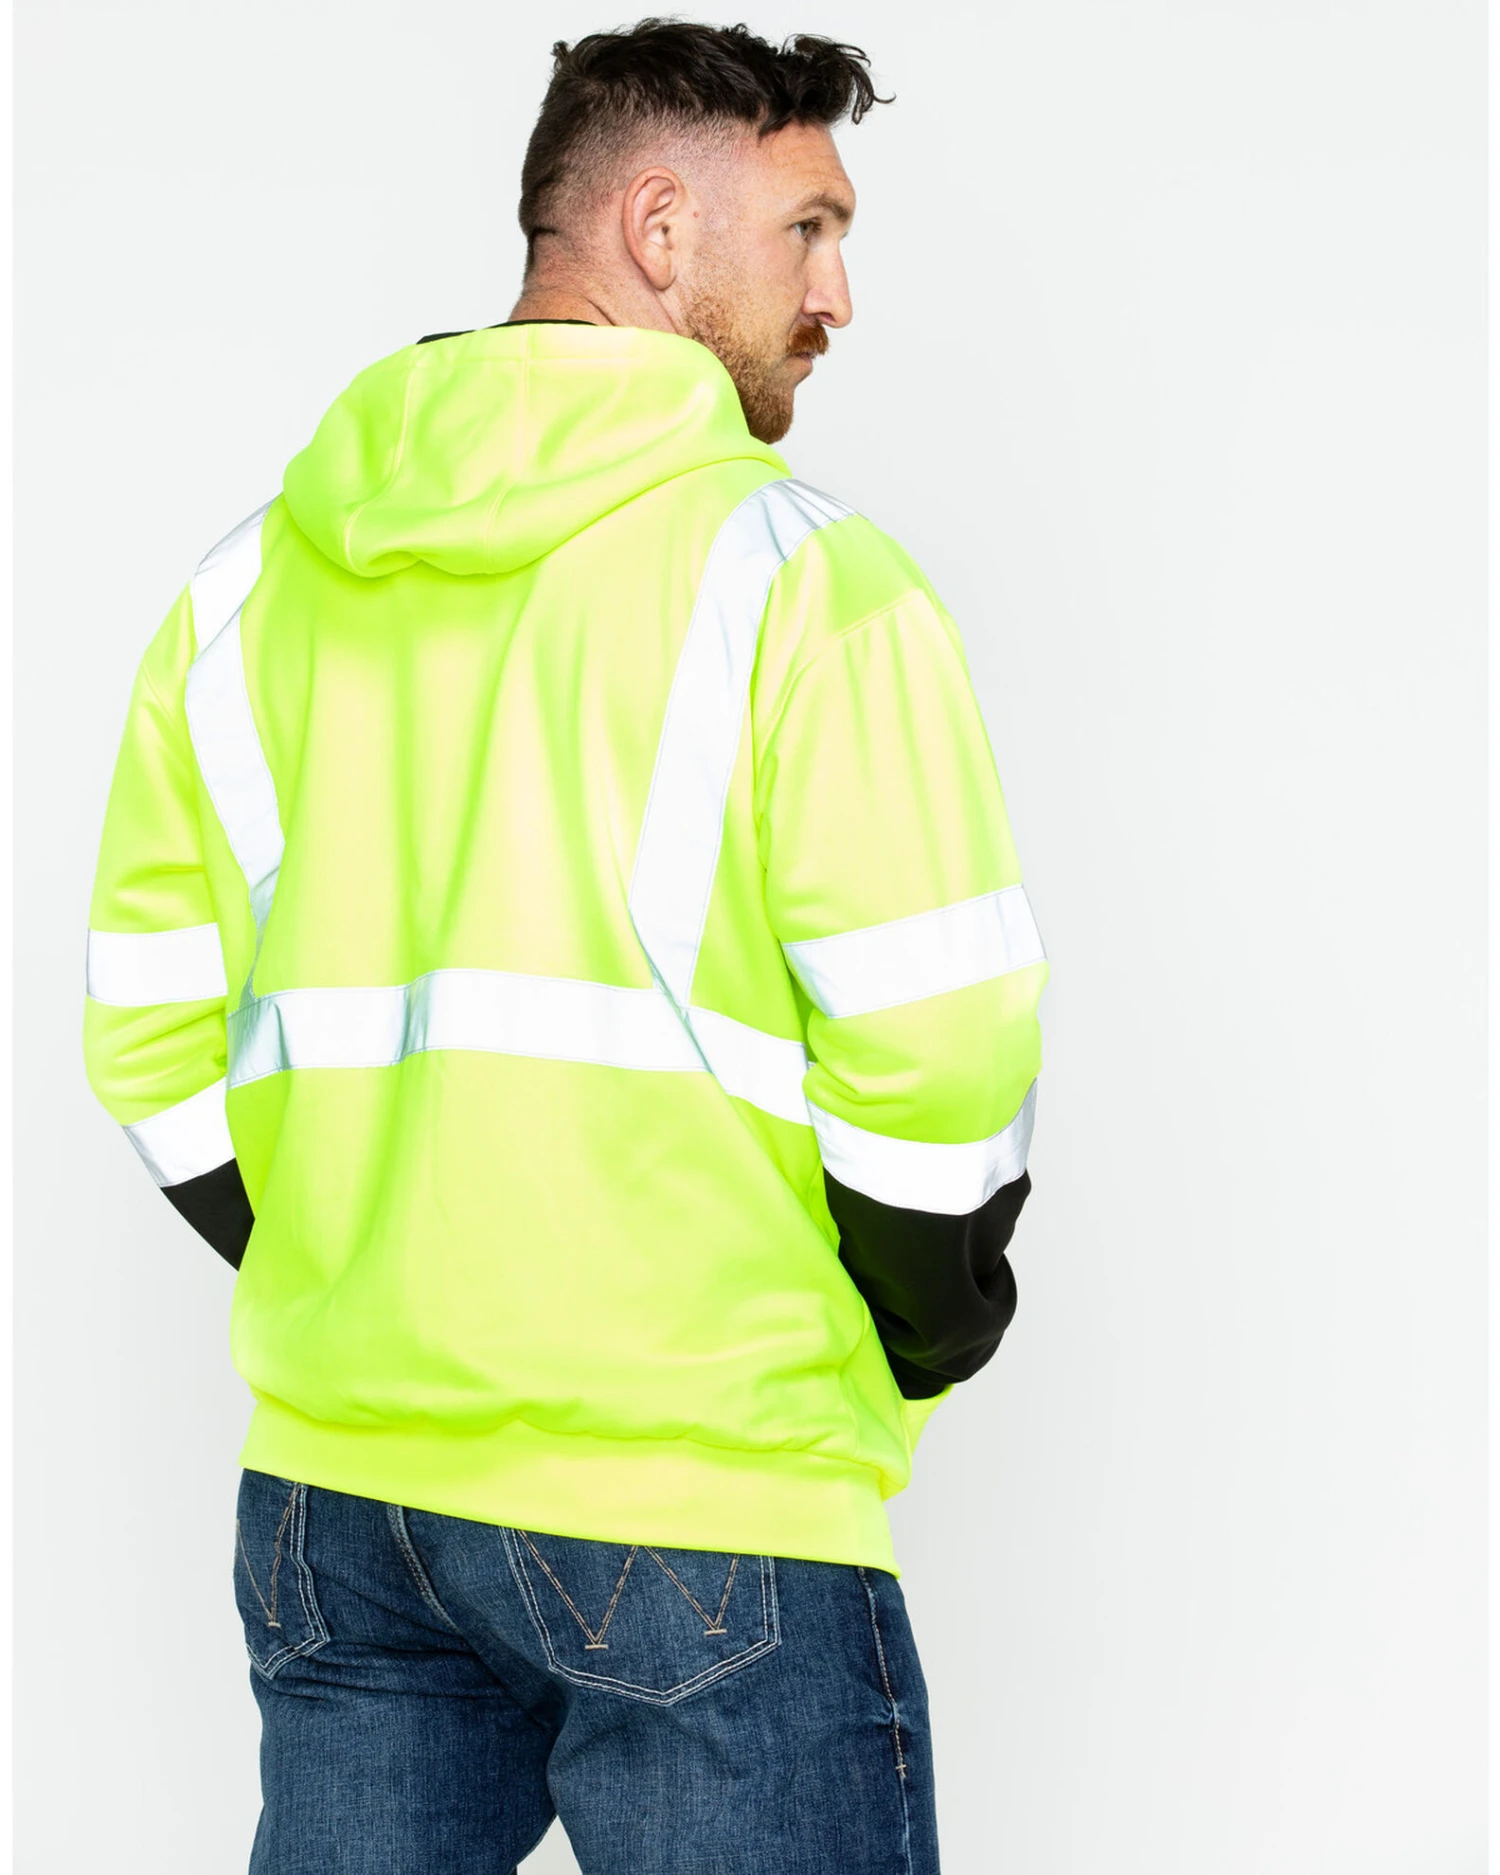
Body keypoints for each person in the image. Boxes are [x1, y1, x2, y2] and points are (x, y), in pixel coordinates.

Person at [83, 21, 1048, 1874]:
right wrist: (926, 1327)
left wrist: (362, 1265)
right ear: (660, 228)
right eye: (811, 229)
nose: (839, 295)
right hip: (705, 1495)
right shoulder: (805, 585)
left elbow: (144, 1027)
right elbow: (940, 1050)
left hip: (344, 1499)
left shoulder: (245, 591)